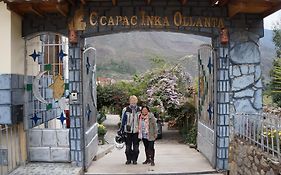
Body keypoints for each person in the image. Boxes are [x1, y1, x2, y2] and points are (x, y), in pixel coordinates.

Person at [119, 95, 141, 165]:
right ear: (129, 101)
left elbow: (142, 120)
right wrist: (121, 129)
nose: (133, 102)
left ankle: (135, 159)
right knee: (128, 148)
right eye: (132, 100)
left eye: (134, 100)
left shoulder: (139, 109)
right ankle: (128, 159)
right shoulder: (125, 109)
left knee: (136, 148)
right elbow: (123, 120)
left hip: (136, 131)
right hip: (127, 131)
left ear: (137, 101)